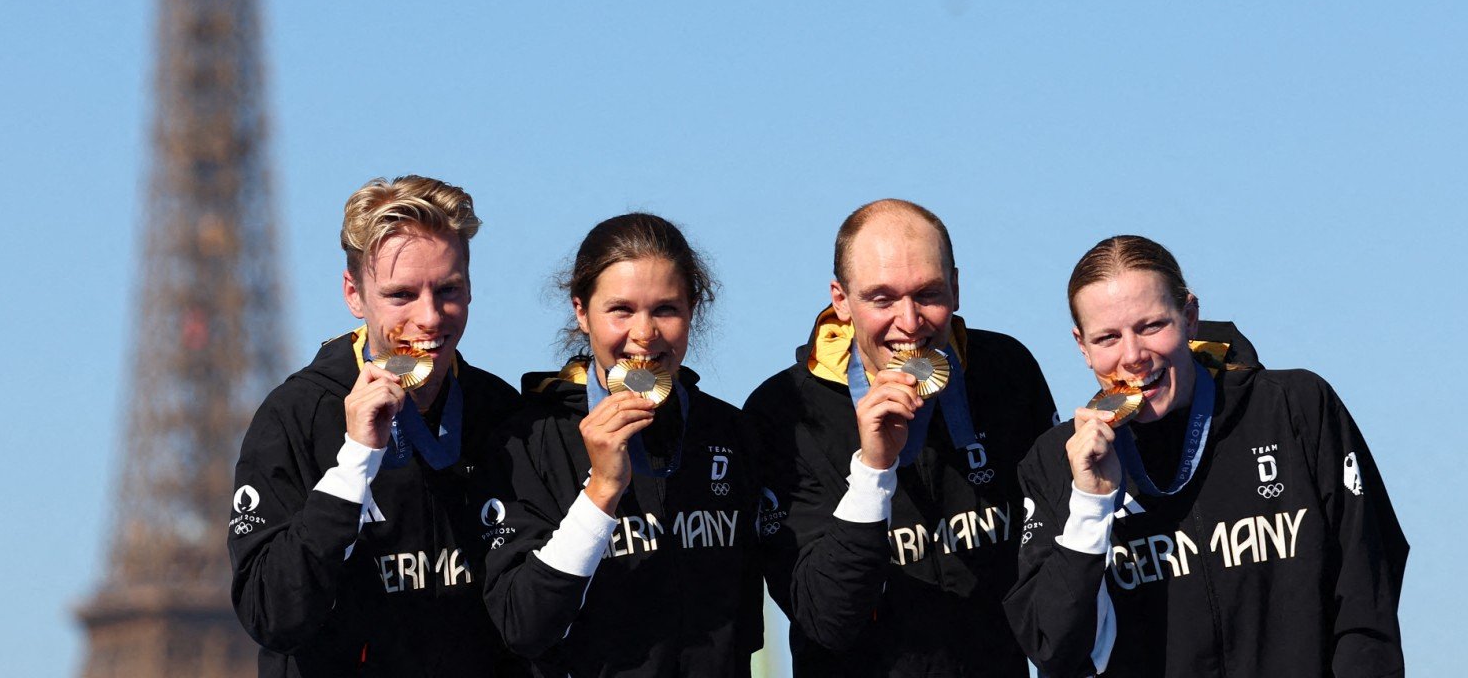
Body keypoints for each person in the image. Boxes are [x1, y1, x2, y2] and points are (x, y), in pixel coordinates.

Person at [1004, 235, 1408, 677]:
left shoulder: (1295, 408)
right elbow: (1051, 647)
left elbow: (1367, 593)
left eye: (1152, 326)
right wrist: (1090, 503)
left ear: (1190, 317)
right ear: (1082, 347)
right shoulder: (1056, 462)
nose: (1134, 356)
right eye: (1108, 338)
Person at [744, 198, 1058, 676]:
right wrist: (872, 471)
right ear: (840, 301)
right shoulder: (783, 412)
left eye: (928, 294)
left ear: (956, 286)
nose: (909, 323)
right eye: (882, 299)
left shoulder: (1006, 371)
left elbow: (1050, 571)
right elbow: (827, 621)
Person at [228, 175, 522, 677]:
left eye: (448, 290)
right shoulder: (295, 417)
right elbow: (271, 614)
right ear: (354, 294)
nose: (429, 317)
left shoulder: (503, 411)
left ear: (470, 287)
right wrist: (356, 459)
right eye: (401, 295)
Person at [480, 212, 762, 677]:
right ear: (580, 311)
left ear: (693, 308)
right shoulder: (527, 441)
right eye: (621, 310)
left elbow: (745, 627)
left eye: (666, 309)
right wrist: (601, 493)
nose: (644, 333)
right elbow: (524, 627)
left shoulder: (730, 432)